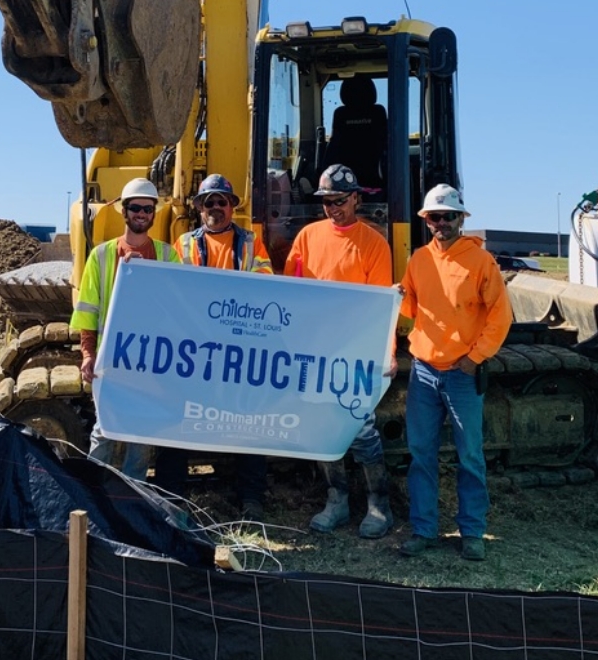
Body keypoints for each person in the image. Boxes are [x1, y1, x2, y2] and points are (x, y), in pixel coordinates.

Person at [397, 183, 512, 561]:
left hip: (463, 374)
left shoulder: (481, 262)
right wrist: (388, 300)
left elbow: (500, 315)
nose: (441, 222)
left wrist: (475, 357)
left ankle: (473, 532)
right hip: (425, 372)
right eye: (434, 216)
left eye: (449, 216)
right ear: (426, 221)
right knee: (421, 454)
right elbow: (412, 308)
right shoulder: (419, 260)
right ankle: (424, 529)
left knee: (470, 456)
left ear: (461, 218)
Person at [283, 163, 396, 539]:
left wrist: (387, 352)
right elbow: (291, 293)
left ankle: (379, 504)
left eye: (340, 201)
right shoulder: (308, 237)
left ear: (357, 200)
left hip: (357, 351)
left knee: (362, 430)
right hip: (316, 352)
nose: (333, 208)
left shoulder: (374, 244)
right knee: (323, 430)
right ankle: (337, 501)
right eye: (327, 201)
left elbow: (381, 306)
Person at [153, 174, 273, 521]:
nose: (216, 208)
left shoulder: (252, 244)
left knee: (248, 425)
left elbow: (265, 283)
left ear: (232, 207)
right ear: (199, 209)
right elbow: (171, 288)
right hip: (196, 350)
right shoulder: (183, 245)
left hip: (238, 350)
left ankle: (251, 500)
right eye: (209, 202)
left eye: (222, 202)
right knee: (177, 421)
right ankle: (170, 497)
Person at [70, 177, 180, 478]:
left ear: (154, 212)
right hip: (111, 358)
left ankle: (134, 500)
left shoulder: (168, 255)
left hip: (150, 360)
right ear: (124, 211)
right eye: (135, 208)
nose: (141, 214)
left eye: (147, 208)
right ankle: (94, 498)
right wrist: (88, 355)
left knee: (141, 435)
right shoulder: (102, 255)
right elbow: (88, 312)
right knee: (105, 430)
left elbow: (174, 308)